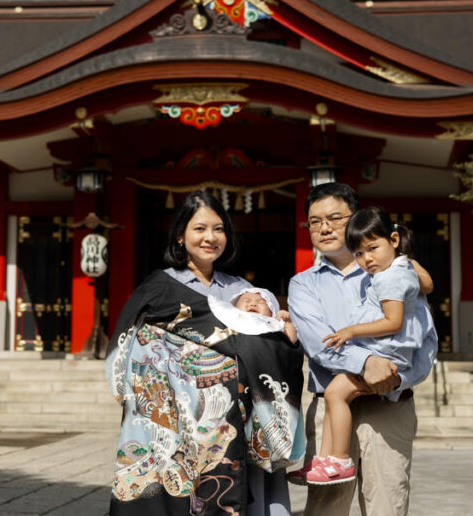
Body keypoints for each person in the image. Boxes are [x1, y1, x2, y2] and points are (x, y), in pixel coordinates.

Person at [106, 190, 304, 516]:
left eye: (219, 229)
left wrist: (284, 338)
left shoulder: (242, 289)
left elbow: (271, 347)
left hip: (237, 423)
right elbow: (130, 344)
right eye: (199, 229)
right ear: (181, 236)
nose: (210, 237)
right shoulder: (158, 288)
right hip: (174, 422)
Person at [287, 183, 438, 515]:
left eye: (334, 217)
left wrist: (397, 377)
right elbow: (318, 345)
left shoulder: (397, 272)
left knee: (388, 505)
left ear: (355, 219)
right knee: (327, 508)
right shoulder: (303, 284)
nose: (324, 227)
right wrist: (368, 362)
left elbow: (424, 340)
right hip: (331, 406)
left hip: (389, 406)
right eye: (314, 221)